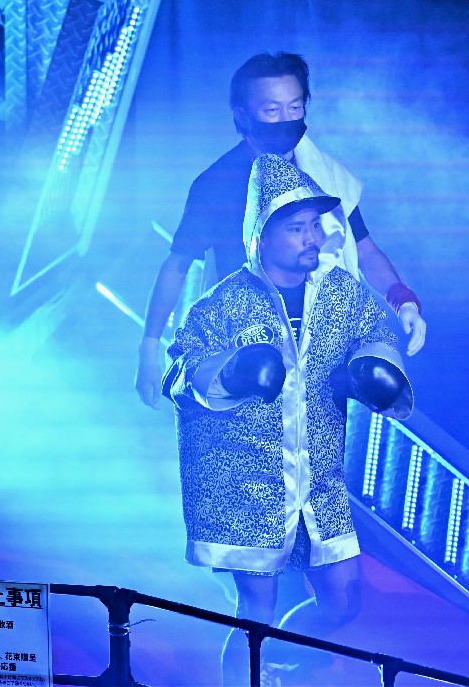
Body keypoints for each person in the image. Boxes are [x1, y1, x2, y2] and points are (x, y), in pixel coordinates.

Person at [163, 153, 414, 686]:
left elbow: (376, 333)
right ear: (260, 235)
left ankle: (276, 660)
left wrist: (374, 366)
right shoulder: (224, 302)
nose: (313, 238)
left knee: (344, 600)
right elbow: (179, 375)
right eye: (297, 227)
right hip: (243, 483)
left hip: (318, 479)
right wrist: (232, 373)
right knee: (256, 612)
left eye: (315, 225)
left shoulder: (340, 291)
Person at [137, 51, 426, 408]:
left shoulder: (327, 175)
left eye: (295, 107)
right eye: (272, 110)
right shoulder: (216, 184)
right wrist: (149, 349)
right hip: (247, 350)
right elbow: (176, 266)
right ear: (242, 116)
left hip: (320, 349)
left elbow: (365, 250)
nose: (286, 119)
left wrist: (403, 302)